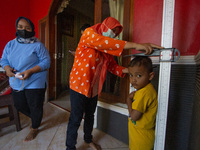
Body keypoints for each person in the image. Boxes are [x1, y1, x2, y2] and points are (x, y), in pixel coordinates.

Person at [66, 16, 162, 150]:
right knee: (75, 119)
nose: (114, 35)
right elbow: (106, 42)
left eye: (116, 34)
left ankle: (88, 140)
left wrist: (133, 71)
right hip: (78, 86)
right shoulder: (89, 33)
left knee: (90, 116)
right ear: (104, 26)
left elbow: (112, 66)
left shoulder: (106, 50)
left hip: (93, 89)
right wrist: (136, 45)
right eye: (113, 31)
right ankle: (70, 147)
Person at [0, 16, 51, 142]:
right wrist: (7, 69)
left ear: (32, 29)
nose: (24, 30)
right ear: (16, 28)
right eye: (20, 27)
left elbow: (46, 62)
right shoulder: (10, 44)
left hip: (35, 80)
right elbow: (4, 59)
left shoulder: (38, 45)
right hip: (17, 81)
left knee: (35, 105)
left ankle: (35, 127)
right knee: (19, 104)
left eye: (27, 28)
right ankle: (36, 116)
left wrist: (31, 71)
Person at [126, 56, 158, 150]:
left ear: (150, 76)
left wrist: (128, 100)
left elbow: (135, 116)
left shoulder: (144, 93)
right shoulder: (143, 90)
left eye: (138, 75)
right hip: (138, 134)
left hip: (142, 137)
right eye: (131, 75)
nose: (133, 79)